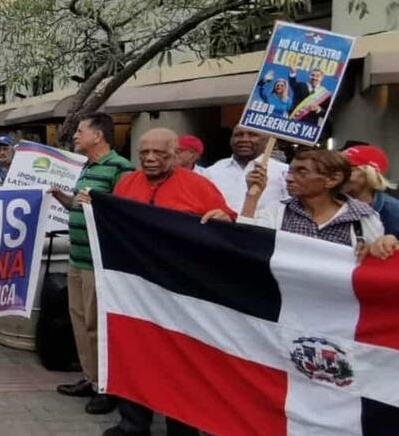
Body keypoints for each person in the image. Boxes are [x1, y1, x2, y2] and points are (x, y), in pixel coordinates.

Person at [103, 129, 235, 436]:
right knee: (135, 357)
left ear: (175, 155)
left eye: (159, 154)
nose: (149, 159)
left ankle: (184, 426)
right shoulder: (126, 184)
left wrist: (224, 218)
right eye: (144, 153)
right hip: (135, 289)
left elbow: (226, 220)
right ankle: (133, 424)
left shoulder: (200, 186)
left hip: (182, 290)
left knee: (183, 362)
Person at [49, 113, 134, 415]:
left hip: (99, 264)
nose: (75, 135)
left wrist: (97, 205)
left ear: (98, 136)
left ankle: (106, 387)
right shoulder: (86, 167)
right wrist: (62, 197)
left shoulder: (121, 169)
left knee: (98, 325)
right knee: (80, 321)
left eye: (80, 131)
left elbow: (126, 213)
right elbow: (80, 204)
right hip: (77, 259)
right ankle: (90, 378)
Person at [235, 149, 397, 261]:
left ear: (332, 179)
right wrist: (252, 196)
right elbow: (246, 244)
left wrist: (382, 245)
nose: (289, 178)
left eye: (302, 172)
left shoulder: (364, 219)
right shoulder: (277, 212)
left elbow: (377, 264)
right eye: (290, 171)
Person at [202, 126, 288, 215]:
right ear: (231, 140)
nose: (244, 139)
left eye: (252, 135)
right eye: (238, 135)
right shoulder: (211, 172)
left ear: (266, 141)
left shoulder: (284, 172)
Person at [342, 144, 399, 235]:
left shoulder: (393, 211)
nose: (339, 175)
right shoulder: (326, 202)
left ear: (369, 174)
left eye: (348, 169)